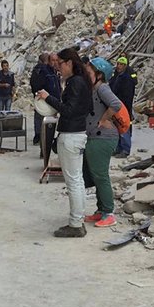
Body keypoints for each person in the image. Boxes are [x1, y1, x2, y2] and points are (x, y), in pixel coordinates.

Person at [37, 48, 93, 238]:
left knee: (73, 182)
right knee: (76, 180)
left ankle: (76, 224)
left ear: (69, 63)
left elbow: (69, 110)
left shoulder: (75, 82)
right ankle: (78, 220)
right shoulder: (81, 81)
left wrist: (48, 98)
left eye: (59, 63)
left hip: (71, 135)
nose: (57, 67)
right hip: (76, 133)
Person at [83, 57, 122, 228]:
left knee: (101, 175)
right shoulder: (94, 88)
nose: (86, 74)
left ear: (99, 75)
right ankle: (100, 211)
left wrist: (104, 118)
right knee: (95, 175)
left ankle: (109, 213)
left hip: (103, 137)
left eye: (89, 72)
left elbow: (116, 104)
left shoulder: (102, 88)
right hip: (95, 136)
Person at [108, 56, 136, 158]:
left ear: (125, 66)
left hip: (123, 106)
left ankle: (125, 149)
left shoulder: (127, 78)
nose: (119, 66)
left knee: (124, 127)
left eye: (121, 64)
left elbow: (128, 95)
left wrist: (125, 107)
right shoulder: (116, 76)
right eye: (118, 64)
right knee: (117, 127)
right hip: (116, 106)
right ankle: (119, 148)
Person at [30, 52, 51, 144]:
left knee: (38, 117)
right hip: (45, 96)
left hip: (37, 95)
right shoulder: (46, 70)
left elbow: (32, 82)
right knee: (45, 117)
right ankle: (44, 137)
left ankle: (38, 135)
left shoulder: (35, 69)